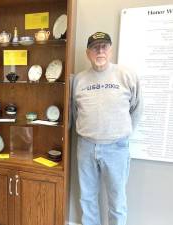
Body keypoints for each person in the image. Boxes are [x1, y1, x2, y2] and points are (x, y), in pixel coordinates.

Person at [71, 32, 143, 225]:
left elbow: (137, 109)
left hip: (117, 148)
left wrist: (121, 133)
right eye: (95, 47)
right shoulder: (78, 80)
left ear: (110, 50)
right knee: (87, 198)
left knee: (117, 201)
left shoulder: (127, 75)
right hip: (85, 147)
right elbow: (75, 112)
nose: (100, 50)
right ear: (88, 53)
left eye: (104, 46)